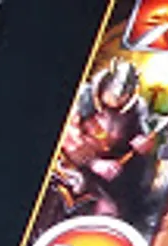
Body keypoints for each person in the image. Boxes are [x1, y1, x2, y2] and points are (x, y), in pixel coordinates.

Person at [49, 59, 157, 220]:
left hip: (110, 169)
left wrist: (144, 143)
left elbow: (145, 133)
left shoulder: (136, 107)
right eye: (114, 92)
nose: (118, 98)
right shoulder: (82, 97)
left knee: (114, 208)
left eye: (124, 95)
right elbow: (67, 136)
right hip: (69, 164)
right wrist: (93, 163)